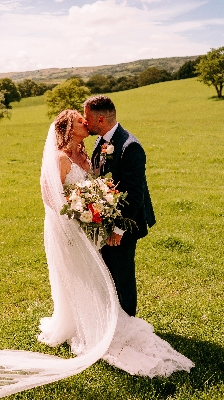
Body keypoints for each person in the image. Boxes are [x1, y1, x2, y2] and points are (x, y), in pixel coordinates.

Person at [0, 109, 193, 400]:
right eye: (78, 121)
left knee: (95, 275)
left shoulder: (87, 155)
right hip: (68, 228)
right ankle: (83, 323)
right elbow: (50, 198)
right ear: (68, 128)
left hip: (90, 226)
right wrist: (79, 214)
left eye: (85, 119)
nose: (84, 123)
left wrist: (93, 209)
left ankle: (106, 316)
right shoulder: (60, 158)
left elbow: (98, 185)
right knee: (79, 274)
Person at [84, 95, 155, 317]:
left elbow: (135, 195)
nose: (85, 123)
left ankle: (130, 324)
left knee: (123, 276)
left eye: (87, 118)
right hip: (104, 221)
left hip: (125, 225)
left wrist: (118, 229)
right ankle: (114, 321)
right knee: (109, 273)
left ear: (101, 119)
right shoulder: (99, 142)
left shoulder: (130, 146)